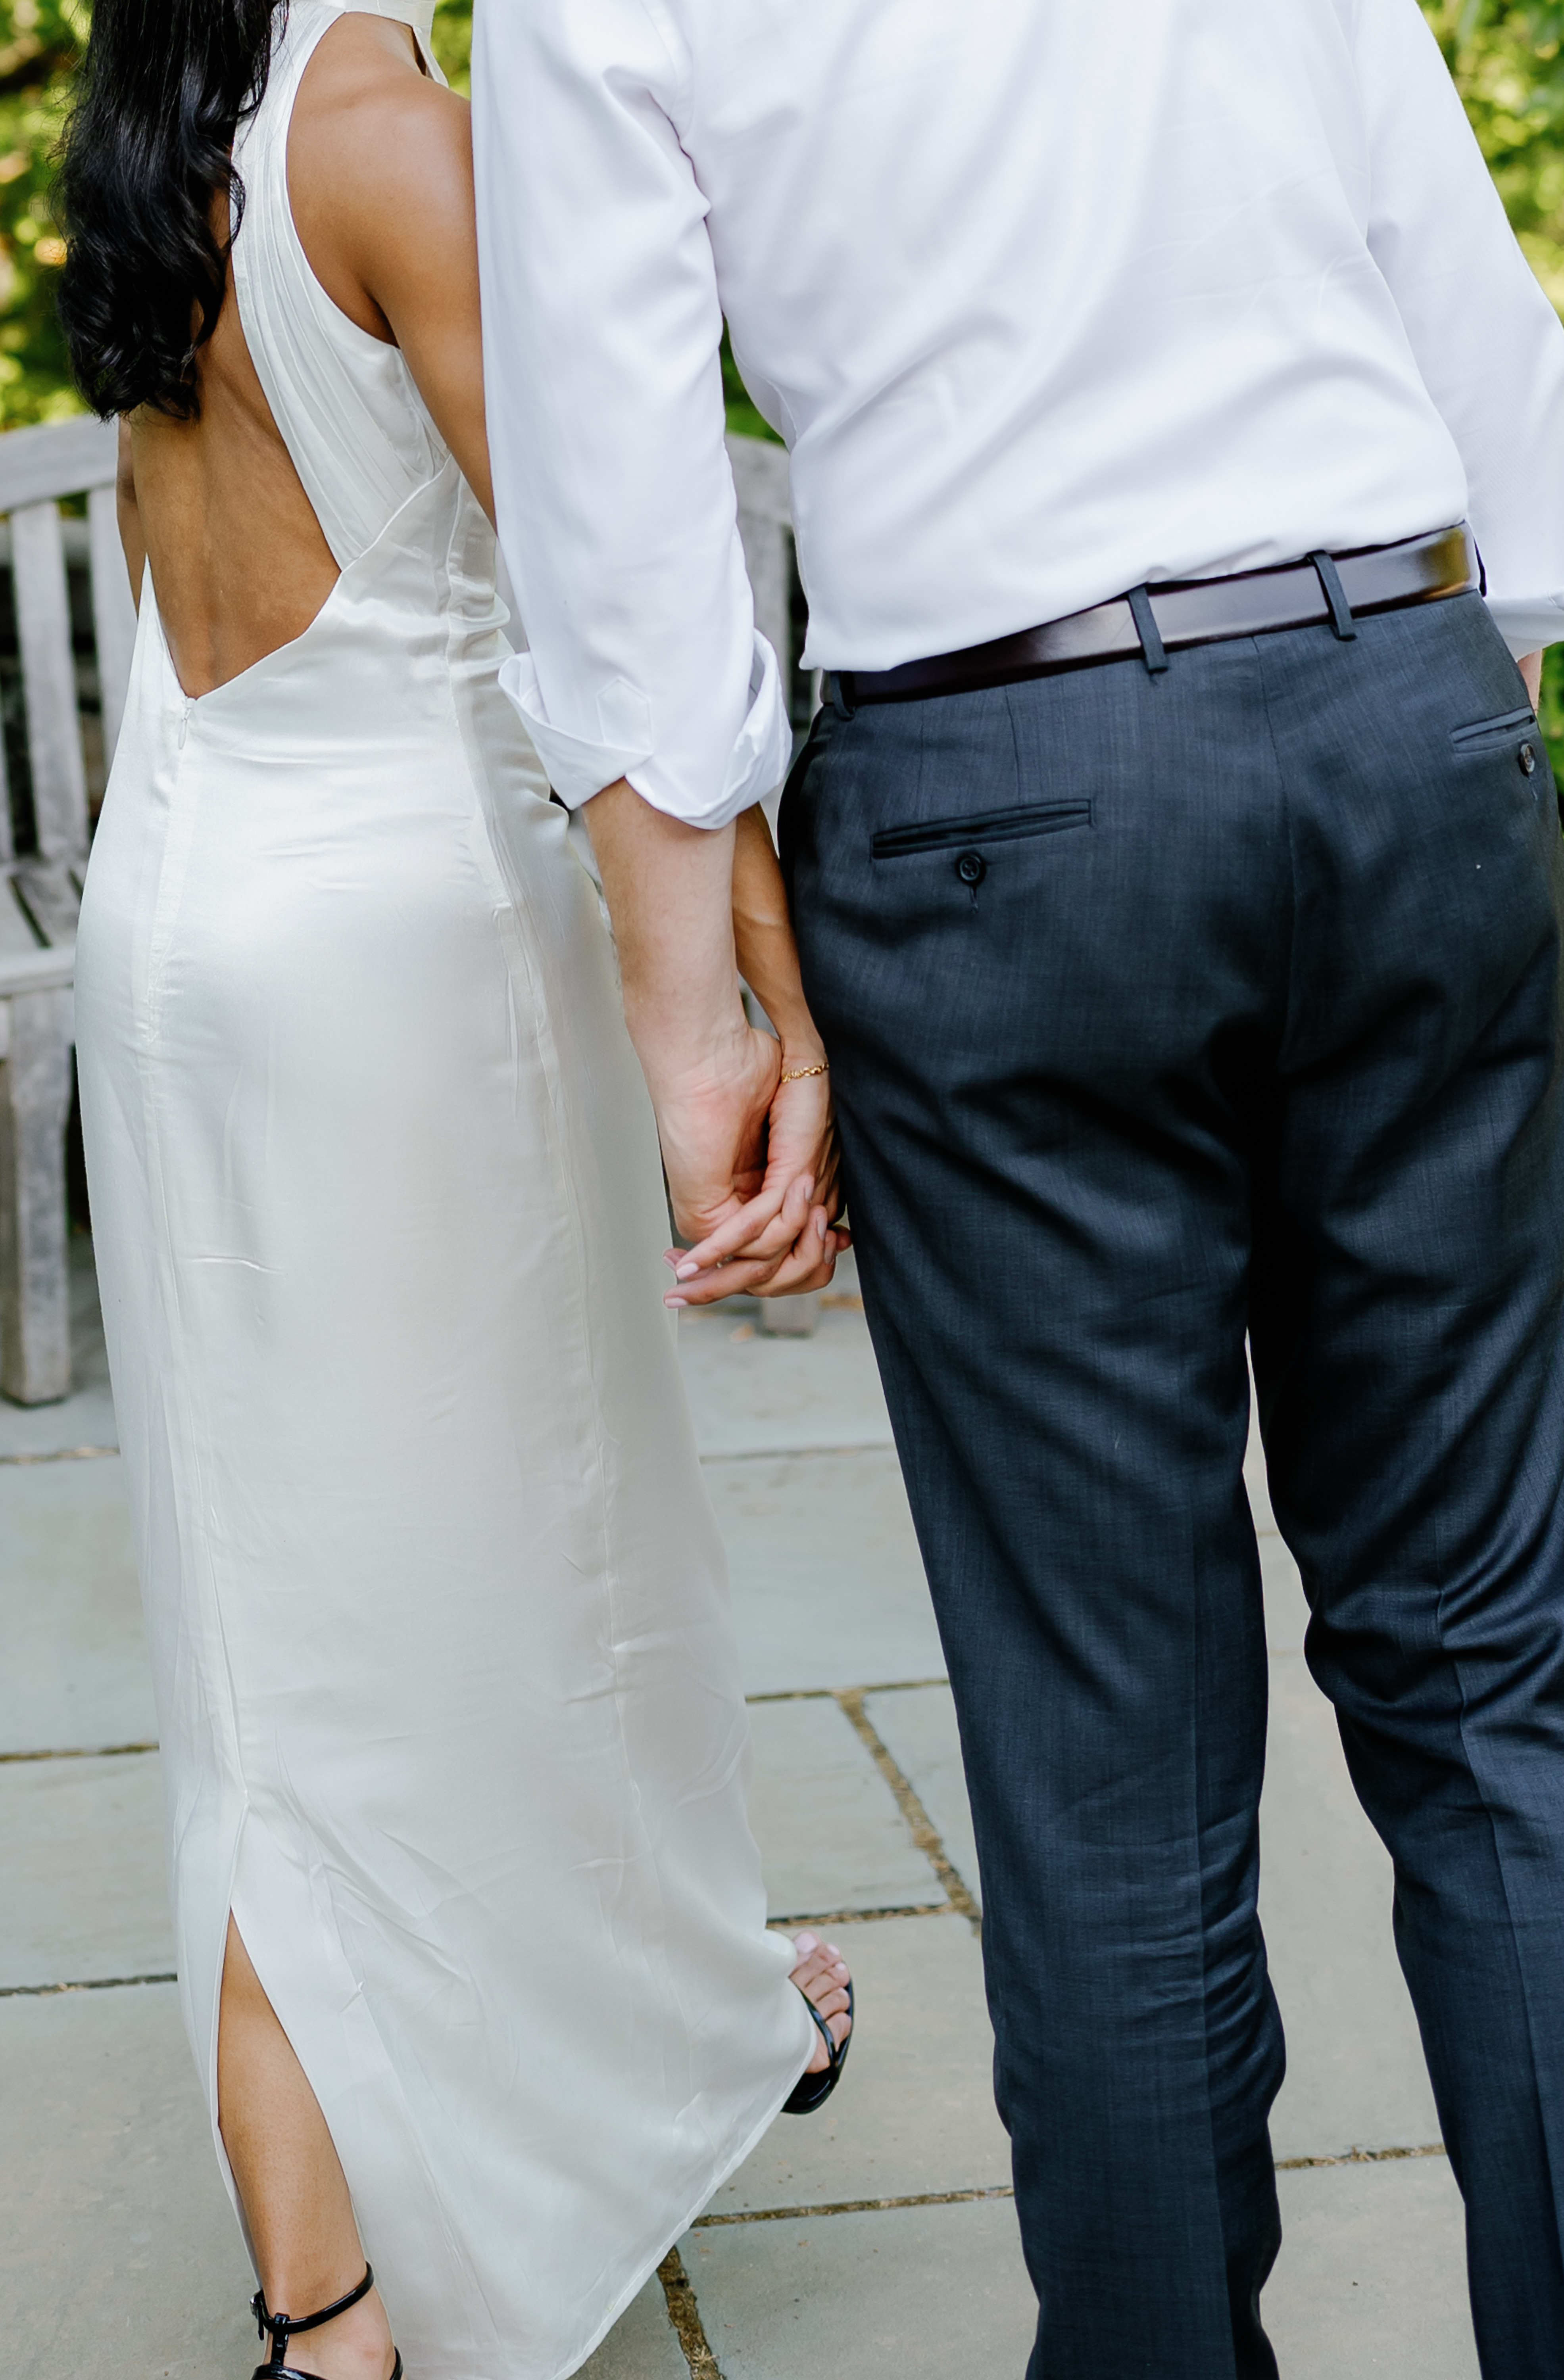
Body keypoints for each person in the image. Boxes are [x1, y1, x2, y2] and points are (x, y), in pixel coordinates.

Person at [472, 1, 1564, 2373]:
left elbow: (626, 515)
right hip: (1404, 690)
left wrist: (704, 1035)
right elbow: (1465, 306)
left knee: (1109, 1740)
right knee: (1501, 1675)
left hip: (1007, 783)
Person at [55, 2, 856, 2374]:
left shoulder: (149, 162)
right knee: (497, 1560)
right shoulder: (400, 143)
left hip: (174, 923)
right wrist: (779, 998)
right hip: (394, 950)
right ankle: (346, 2308)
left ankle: (568, 2091)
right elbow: (614, 626)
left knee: (272, 1621)